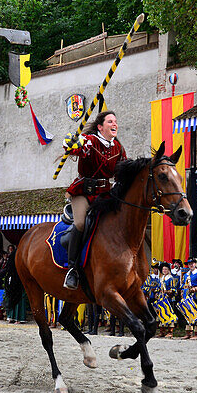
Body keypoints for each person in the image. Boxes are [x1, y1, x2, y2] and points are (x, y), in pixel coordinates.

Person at [62, 111, 126, 290]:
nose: (115, 124)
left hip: (105, 194)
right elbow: (75, 147)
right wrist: (71, 142)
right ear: (100, 127)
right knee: (81, 224)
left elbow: (124, 169)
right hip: (83, 192)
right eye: (110, 121)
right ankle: (72, 269)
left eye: (116, 121)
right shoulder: (90, 140)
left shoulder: (118, 148)